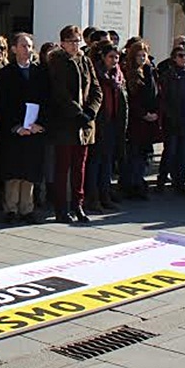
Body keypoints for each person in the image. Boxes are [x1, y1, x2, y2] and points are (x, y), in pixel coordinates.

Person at [46, 25, 103, 224]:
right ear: (62, 43)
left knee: (80, 167)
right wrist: (76, 113)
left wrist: (91, 112)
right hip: (65, 123)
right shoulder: (57, 61)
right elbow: (59, 92)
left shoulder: (85, 60)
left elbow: (96, 89)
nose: (74, 45)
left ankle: (78, 204)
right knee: (63, 168)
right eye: (70, 41)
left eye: (77, 41)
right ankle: (61, 207)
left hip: (85, 125)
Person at [0, 33, 47, 224]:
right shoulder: (5, 73)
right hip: (14, 130)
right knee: (13, 171)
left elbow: (47, 100)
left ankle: (27, 209)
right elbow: (2, 104)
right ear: (14, 48)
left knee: (29, 170)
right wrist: (15, 127)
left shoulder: (40, 73)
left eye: (30, 46)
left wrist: (40, 124)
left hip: (34, 128)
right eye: (23, 46)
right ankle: (11, 209)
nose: (27, 50)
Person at [85, 42, 125, 213]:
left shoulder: (118, 76)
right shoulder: (96, 74)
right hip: (99, 123)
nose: (114, 61)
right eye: (111, 57)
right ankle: (92, 198)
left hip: (113, 123)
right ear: (103, 57)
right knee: (95, 162)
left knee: (107, 162)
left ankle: (105, 195)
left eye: (117, 57)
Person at [123, 40, 161, 199]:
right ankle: (132, 185)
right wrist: (143, 114)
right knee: (134, 154)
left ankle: (138, 183)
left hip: (150, 119)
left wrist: (155, 113)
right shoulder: (129, 73)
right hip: (136, 121)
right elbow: (132, 99)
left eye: (144, 55)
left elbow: (156, 94)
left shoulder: (150, 71)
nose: (142, 58)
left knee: (145, 154)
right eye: (139, 55)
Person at [160, 45, 185, 195]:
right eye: (181, 56)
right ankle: (162, 180)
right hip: (172, 121)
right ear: (174, 58)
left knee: (184, 153)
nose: (184, 59)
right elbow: (163, 99)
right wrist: (169, 115)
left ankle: (180, 182)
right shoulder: (168, 75)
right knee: (170, 152)